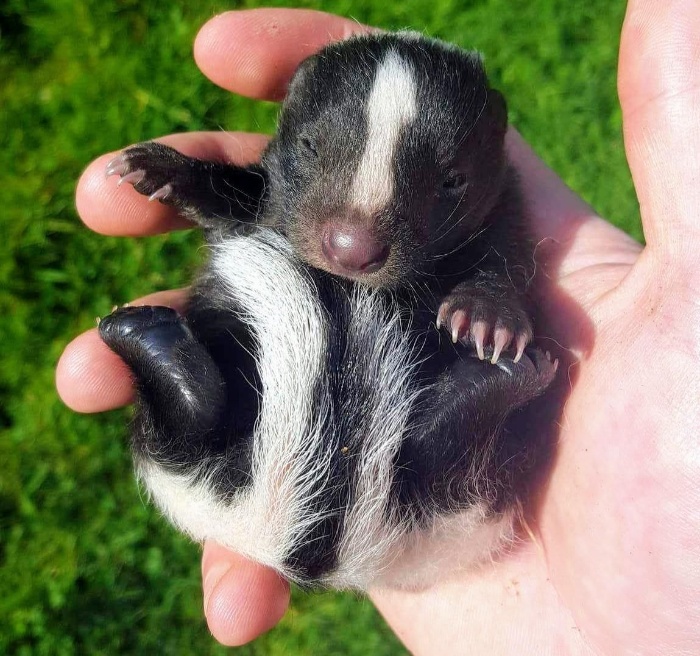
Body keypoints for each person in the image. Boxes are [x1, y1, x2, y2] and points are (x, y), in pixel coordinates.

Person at [56, 2, 700, 653]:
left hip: (384, 502)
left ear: (490, 153)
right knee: (465, 404)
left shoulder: (490, 239)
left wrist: (492, 296)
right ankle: (452, 404)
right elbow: (254, 199)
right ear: (293, 114)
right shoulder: (278, 191)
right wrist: (199, 185)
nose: (354, 237)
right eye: (313, 150)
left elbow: (496, 268)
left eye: (444, 184)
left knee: (186, 437)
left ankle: (183, 382)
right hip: (396, 503)